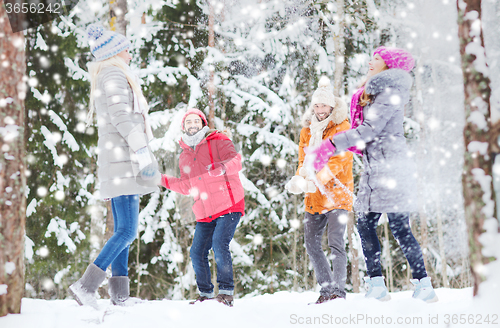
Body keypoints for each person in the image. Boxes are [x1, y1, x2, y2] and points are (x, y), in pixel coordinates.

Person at [305, 46, 438, 303]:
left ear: (388, 65)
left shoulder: (390, 91)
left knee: (396, 227)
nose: (371, 60)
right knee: (367, 223)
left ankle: (421, 285)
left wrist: (331, 145)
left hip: (392, 167)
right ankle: (378, 284)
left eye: (377, 58)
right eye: (372, 56)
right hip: (375, 167)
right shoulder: (373, 91)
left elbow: (369, 130)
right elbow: (364, 135)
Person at [68, 24, 160, 308]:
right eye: (126, 48)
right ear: (114, 51)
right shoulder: (113, 73)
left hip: (121, 160)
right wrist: (140, 145)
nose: (130, 53)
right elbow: (121, 115)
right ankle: (86, 285)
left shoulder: (112, 73)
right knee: (128, 230)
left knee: (124, 228)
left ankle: (120, 295)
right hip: (123, 160)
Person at [159, 108, 245, 307]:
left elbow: (236, 161)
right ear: (183, 127)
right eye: (188, 122)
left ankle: (225, 292)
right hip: (206, 211)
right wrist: (162, 179)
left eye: (196, 121)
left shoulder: (219, 140)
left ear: (203, 123)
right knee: (197, 252)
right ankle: (206, 294)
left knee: (219, 244)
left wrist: (222, 168)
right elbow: (187, 185)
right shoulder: (184, 156)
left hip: (229, 203)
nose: (192, 125)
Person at [285, 77, 353, 304]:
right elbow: (303, 160)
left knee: (335, 242)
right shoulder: (307, 131)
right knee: (312, 244)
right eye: (316, 105)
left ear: (332, 108)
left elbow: (340, 161)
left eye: (324, 105)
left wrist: (318, 178)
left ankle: (339, 292)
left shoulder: (342, 127)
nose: (320, 109)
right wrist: (299, 179)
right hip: (314, 197)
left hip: (336, 195)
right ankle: (326, 290)